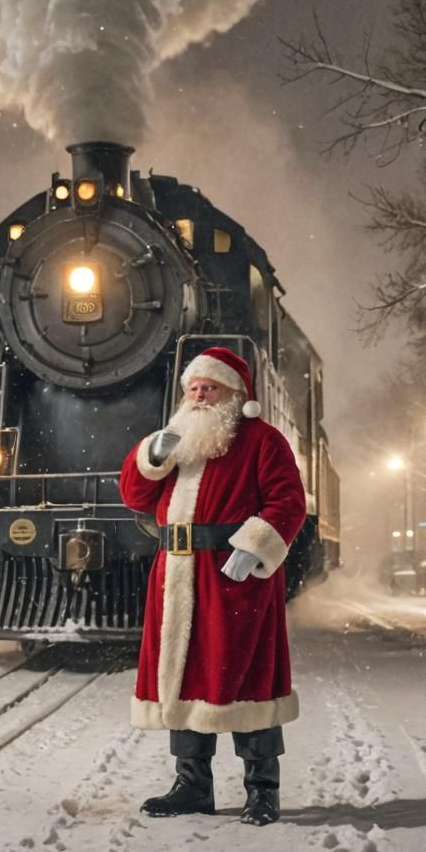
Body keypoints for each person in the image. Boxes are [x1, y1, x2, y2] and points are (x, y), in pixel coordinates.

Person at [119, 346, 306, 825]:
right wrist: (150, 457)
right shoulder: (176, 439)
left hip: (233, 573)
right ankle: (192, 785)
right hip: (176, 572)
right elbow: (134, 494)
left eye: (210, 388)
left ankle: (263, 790)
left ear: (234, 394)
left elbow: (288, 500)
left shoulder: (263, 439)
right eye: (194, 388)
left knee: (248, 679)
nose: (200, 396)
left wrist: (255, 547)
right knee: (180, 678)